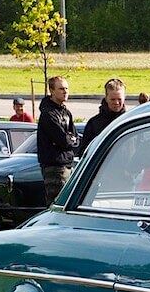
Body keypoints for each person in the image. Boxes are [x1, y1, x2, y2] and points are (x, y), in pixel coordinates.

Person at [37, 76, 79, 205]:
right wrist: (68, 139)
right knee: (57, 202)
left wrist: (70, 139)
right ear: (51, 90)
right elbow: (63, 140)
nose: (65, 91)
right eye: (61, 89)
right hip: (54, 166)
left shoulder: (66, 113)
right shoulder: (48, 114)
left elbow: (76, 139)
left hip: (68, 163)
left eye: (66, 88)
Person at [78, 77, 127, 156]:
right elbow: (84, 152)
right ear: (106, 98)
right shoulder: (94, 123)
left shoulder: (128, 121)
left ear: (124, 98)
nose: (116, 102)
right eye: (113, 99)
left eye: (119, 99)